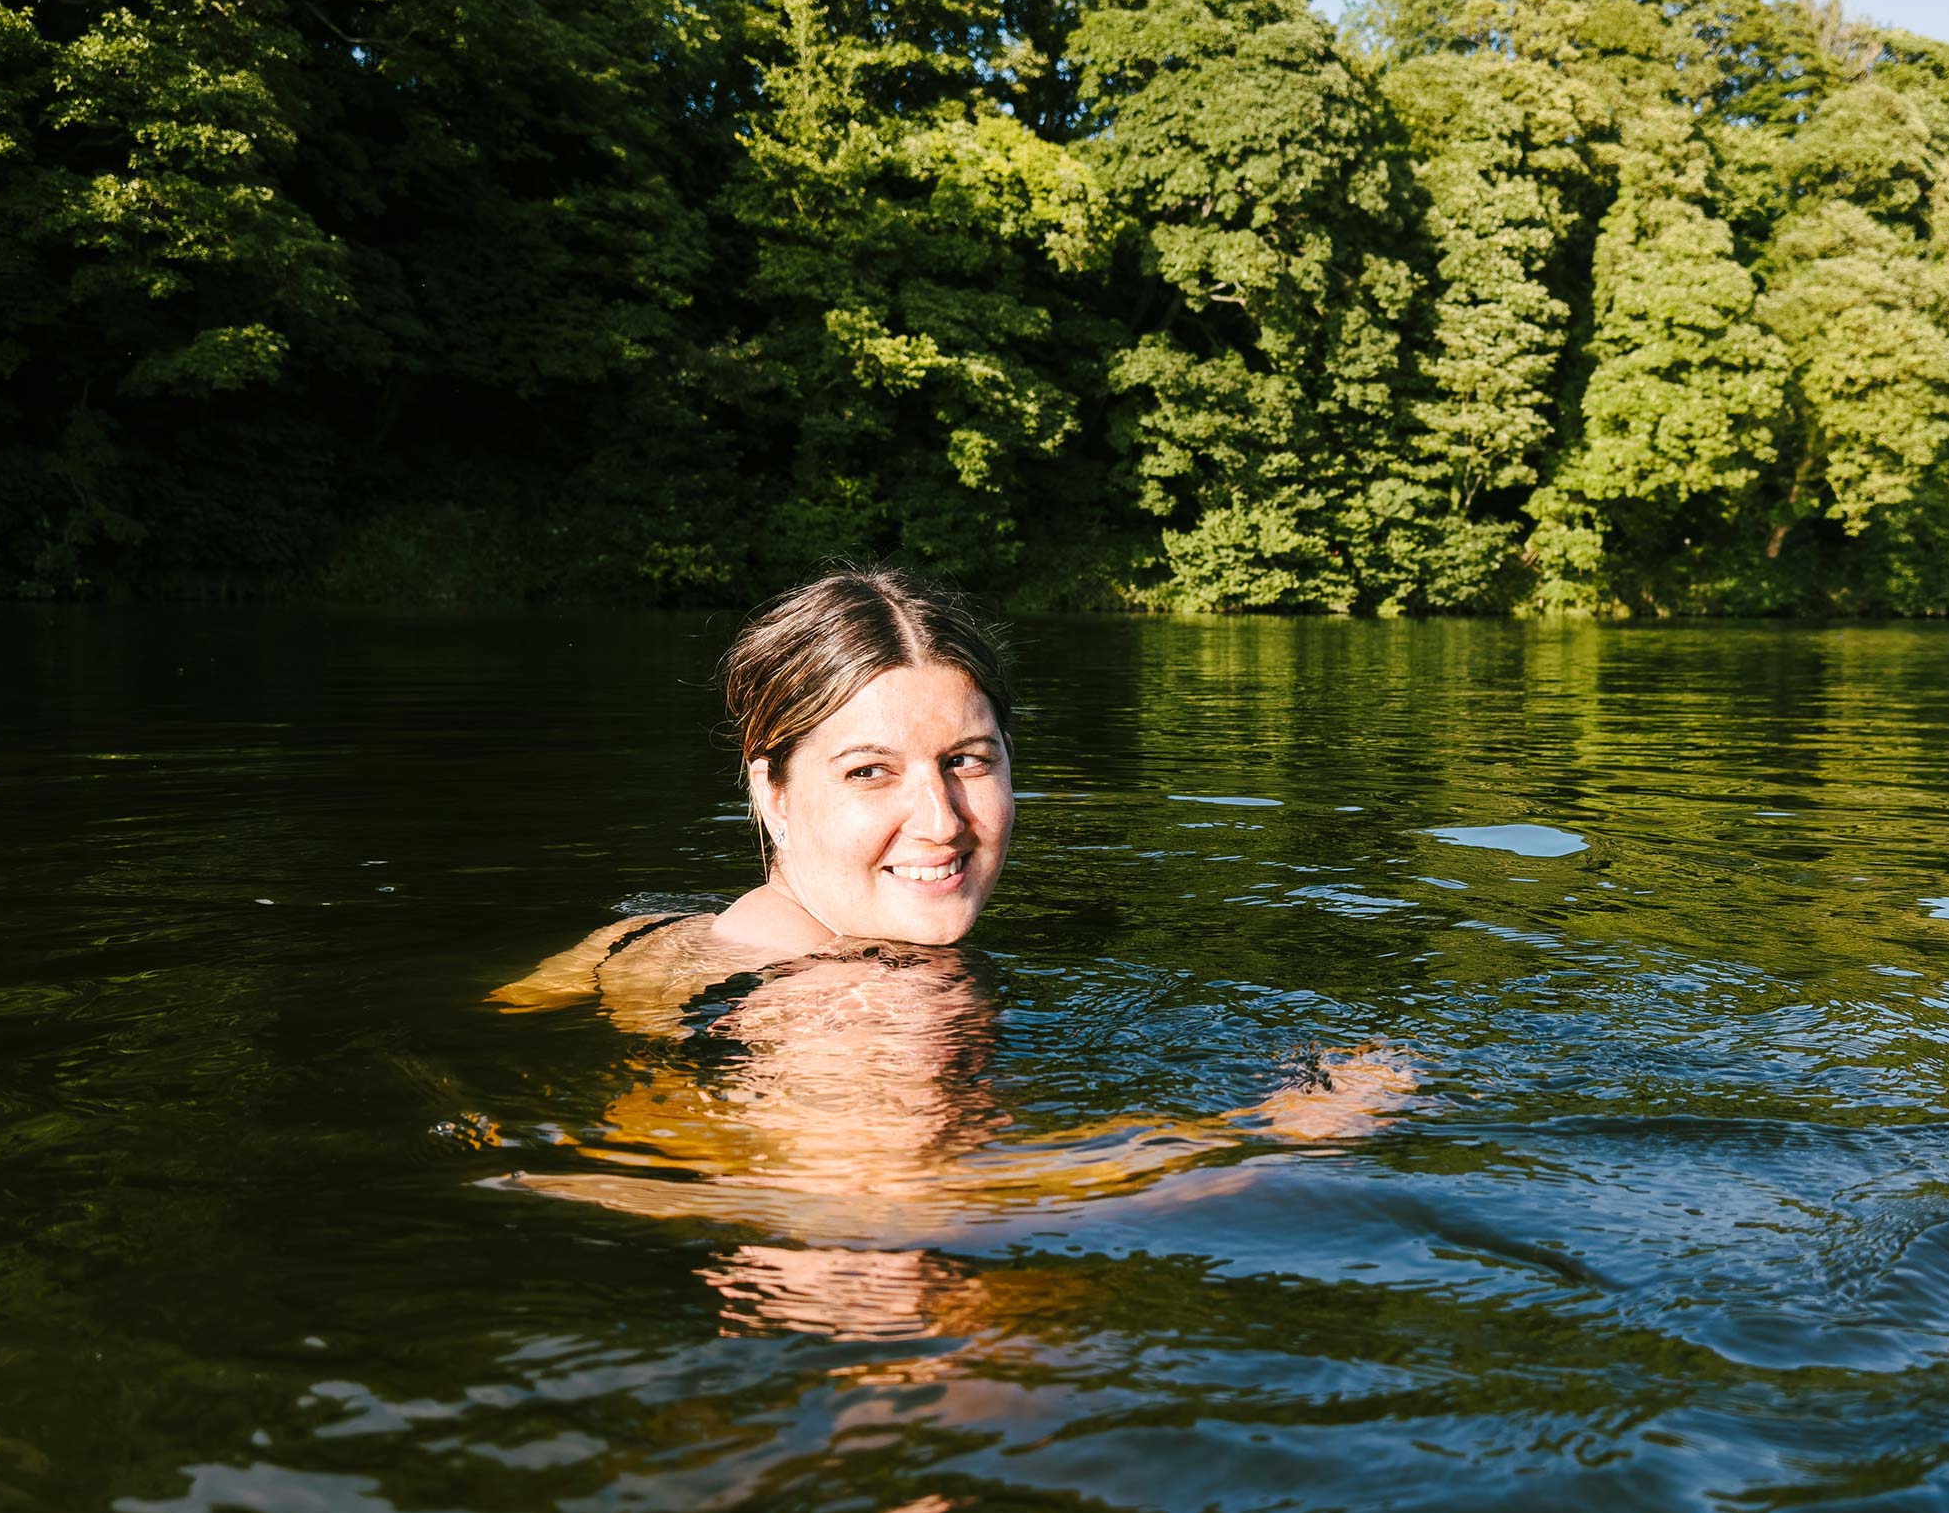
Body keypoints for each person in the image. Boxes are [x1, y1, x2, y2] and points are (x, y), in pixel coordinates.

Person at [490, 565, 1414, 1339]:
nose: (940, 823)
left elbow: (507, 1021)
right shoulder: (877, 994)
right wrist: (1274, 1140)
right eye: (869, 771)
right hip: (880, 1344)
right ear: (769, 788)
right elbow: (902, 1214)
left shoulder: (639, 939)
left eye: (968, 760)